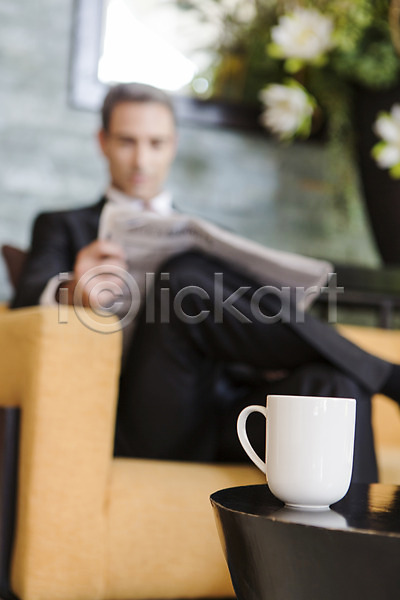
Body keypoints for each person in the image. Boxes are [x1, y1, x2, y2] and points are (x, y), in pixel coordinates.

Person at [11, 83, 400, 484]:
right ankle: (387, 375)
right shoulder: (63, 226)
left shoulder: (206, 236)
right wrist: (72, 291)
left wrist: (267, 356)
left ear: (174, 145)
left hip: (226, 411)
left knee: (336, 386)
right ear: (102, 142)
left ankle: (366, 525)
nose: (141, 159)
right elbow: (23, 306)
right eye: (127, 142)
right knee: (182, 277)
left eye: (156, 143)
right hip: (148, 416)